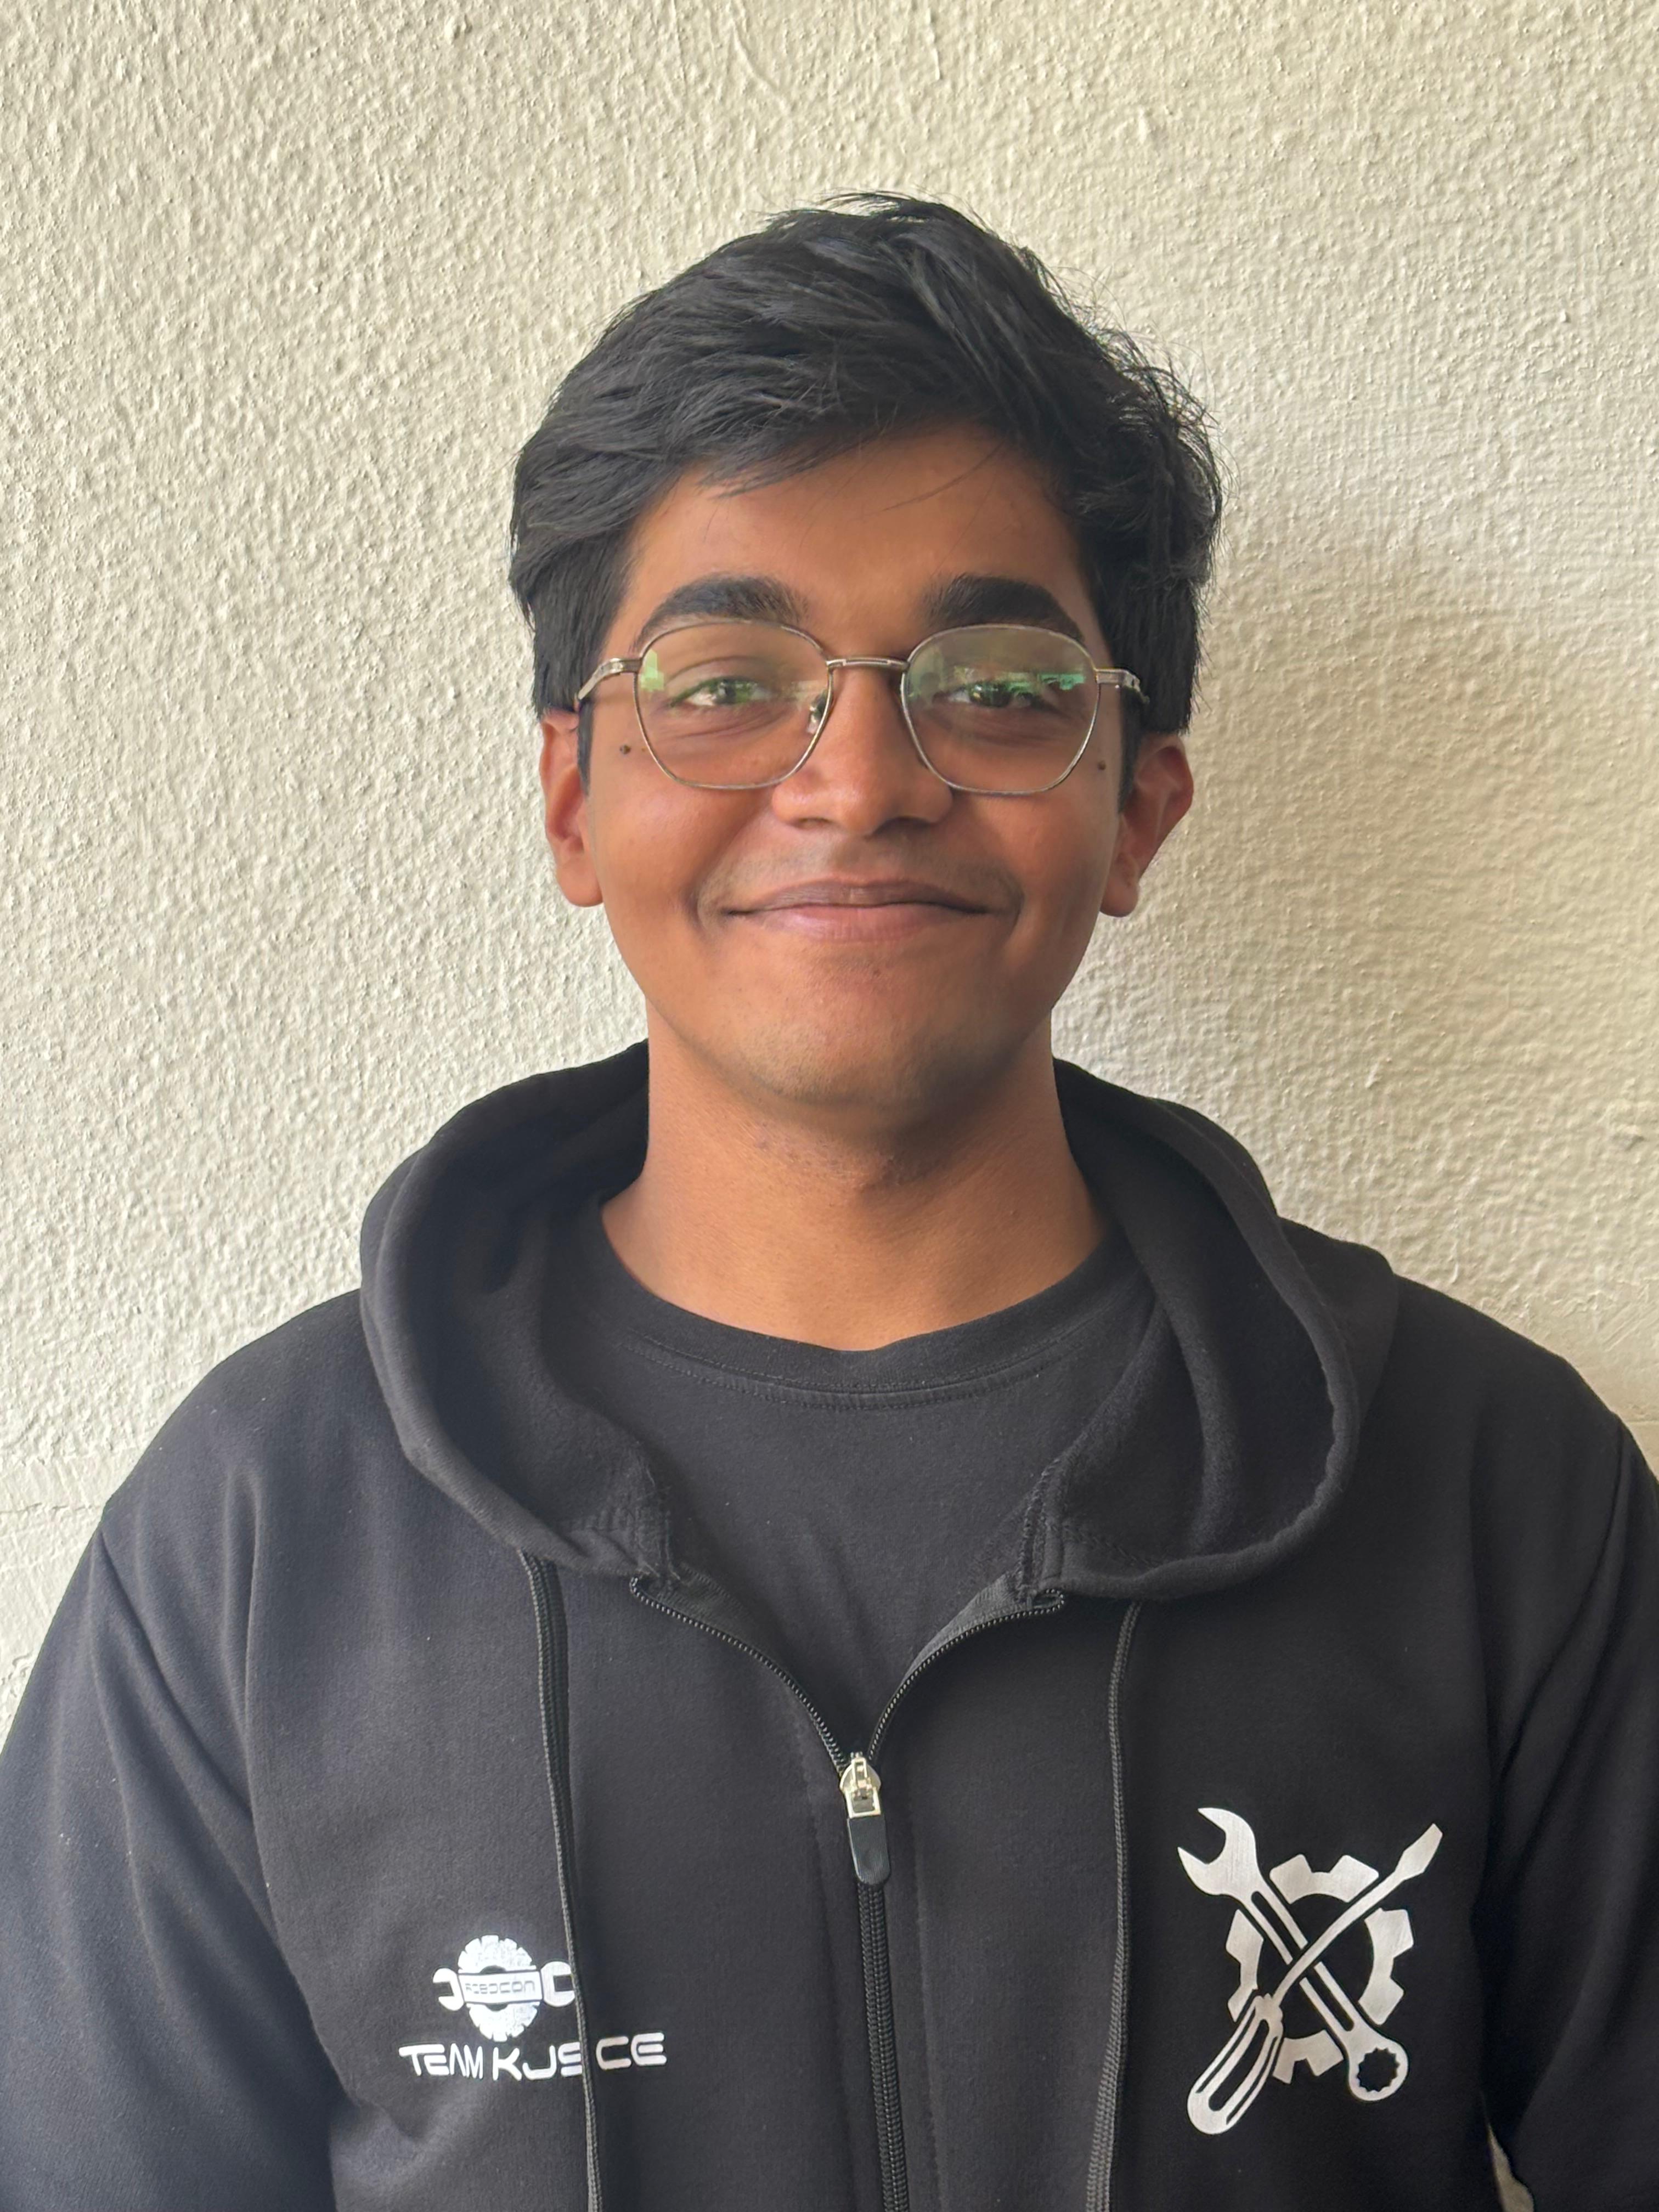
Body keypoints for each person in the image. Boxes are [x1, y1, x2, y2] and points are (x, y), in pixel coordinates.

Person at [1, 194, 1654, 2212]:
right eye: (725, 680)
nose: (859, 778)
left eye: (999, 680)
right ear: (572, 799)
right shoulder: (265, 1534)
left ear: (1139, 803)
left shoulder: (1489, 1487)